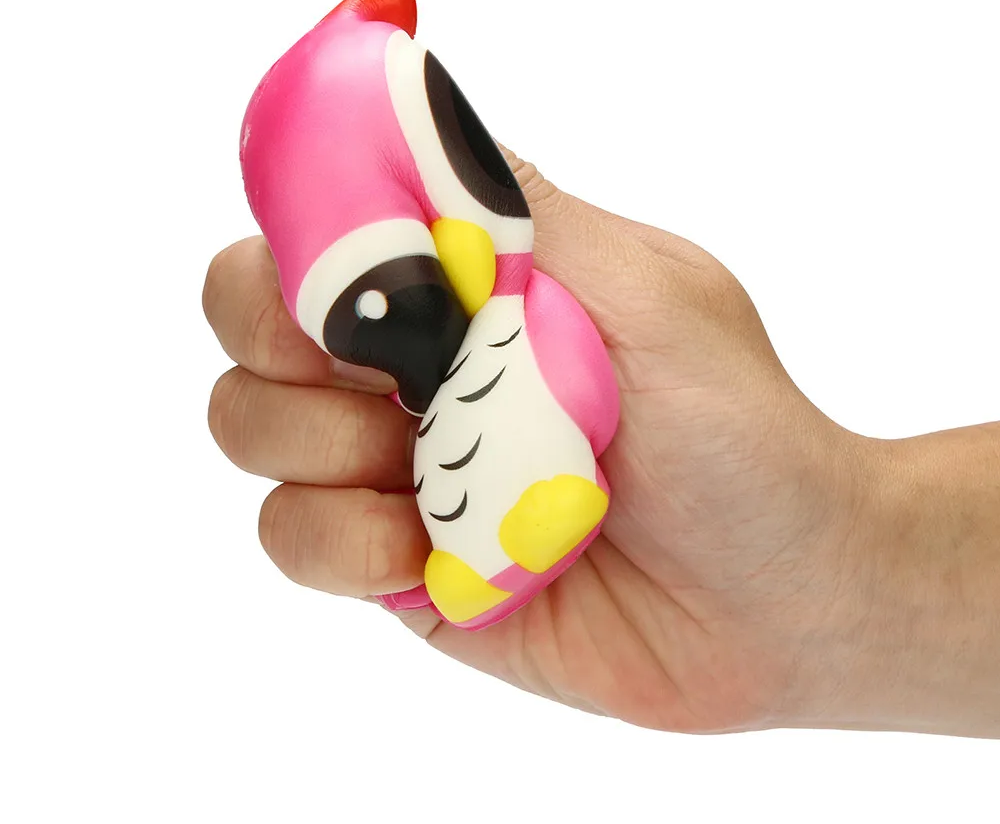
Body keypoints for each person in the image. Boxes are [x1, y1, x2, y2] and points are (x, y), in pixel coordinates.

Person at [203, 148, 1000, 739]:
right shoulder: (474, 317)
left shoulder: (521, 296)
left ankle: (514, 536)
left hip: (542, 472)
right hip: (471, 507)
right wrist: (854, 566)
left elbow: (572, 373)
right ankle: (472, 566)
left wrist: (845, 568)